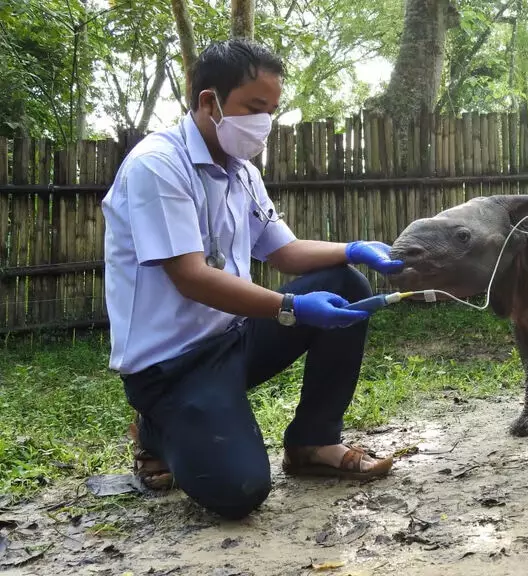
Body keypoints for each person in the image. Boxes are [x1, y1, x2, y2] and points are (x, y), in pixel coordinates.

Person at [101, 38, 404, 520]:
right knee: (239, 490)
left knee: (347, 285)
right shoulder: (157, 166)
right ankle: (157, 425)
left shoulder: (241, 171)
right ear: (209, 101)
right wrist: (290, 307)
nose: (265, 122)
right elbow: (191, 277)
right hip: (172, 367)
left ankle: (313, 442)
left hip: (233, 339)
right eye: (255, 107)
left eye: (272, 110)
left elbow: (284, 252)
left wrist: (354, 249)